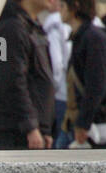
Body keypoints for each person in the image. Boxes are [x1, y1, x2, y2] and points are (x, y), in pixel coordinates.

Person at [0, 0, 57, 148]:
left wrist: (45, 128)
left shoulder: (32, 27)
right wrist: (30, 126)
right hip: (17, 132)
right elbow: (10, 80)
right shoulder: (10, 28)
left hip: (34, 130)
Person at [62, 0, 106, 147]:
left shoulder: (93, 38)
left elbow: (96, 85)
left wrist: (83, 123)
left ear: (75, 6)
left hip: (94, 126)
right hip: (87, 124)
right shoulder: (83, 37)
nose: (58, 8)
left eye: (62, 4)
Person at [44, 0, 74, 147]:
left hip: (60, 94)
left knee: (60, 144)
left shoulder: (53, 26)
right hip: (72, 93)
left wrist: (52, 90)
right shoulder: (69, 25)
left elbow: (56, 64)